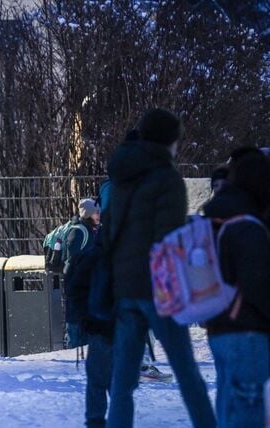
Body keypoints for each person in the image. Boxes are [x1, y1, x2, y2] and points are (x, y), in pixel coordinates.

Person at [103, 108, 215, 428]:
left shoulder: (121, 177)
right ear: (171, 140)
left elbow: (110, 229)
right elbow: (169, 241)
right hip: (159, 291)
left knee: (123, 381)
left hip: (124, 289)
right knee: (187, 374)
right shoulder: (167, 178)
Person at [201, 148, 270, 427]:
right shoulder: (247, 225)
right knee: (247, 411)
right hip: (246, 330)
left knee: (230, 408)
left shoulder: (216, 218)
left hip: (219, 326)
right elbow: (257, 282)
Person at [62, 198, 111, 427]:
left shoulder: (92, 236)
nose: (98, 215)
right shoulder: (82, 233)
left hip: (98, 321)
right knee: (108, 380)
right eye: (95, 212)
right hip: (103, 322)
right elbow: (73, 263)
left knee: (99, 378)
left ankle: (96, 421)